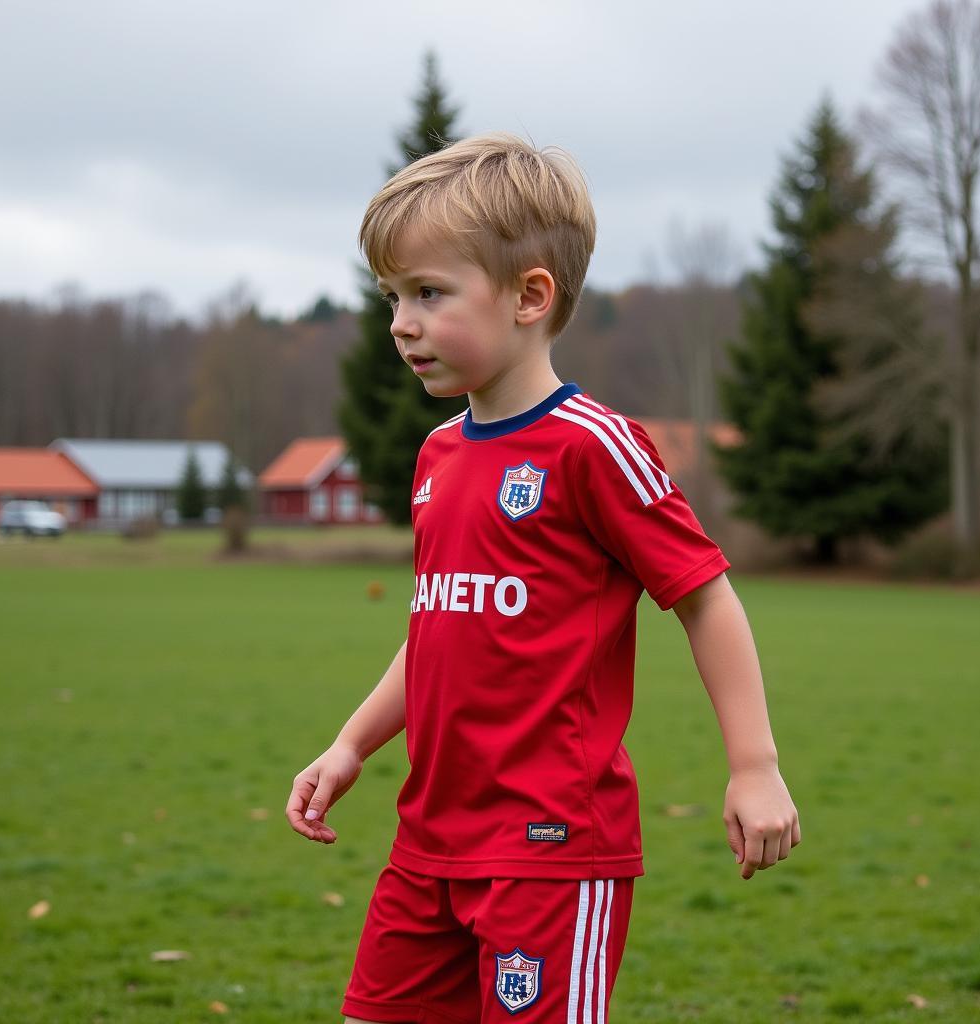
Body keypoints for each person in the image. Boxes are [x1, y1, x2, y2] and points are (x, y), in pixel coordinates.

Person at [286, 133, 800, 1024]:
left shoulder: (594, 447)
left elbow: (706, 596)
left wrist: (754, 766)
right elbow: (440, 629)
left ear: (530, 297)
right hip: (428, 843)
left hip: (551, 853)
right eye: (393, 297)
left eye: (429, 293)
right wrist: (351, 744)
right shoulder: (438, 455)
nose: (401, 323)